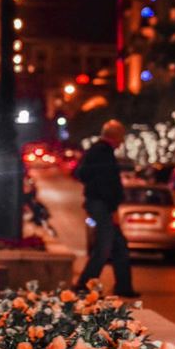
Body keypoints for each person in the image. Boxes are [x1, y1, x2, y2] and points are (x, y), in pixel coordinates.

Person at [74, 120, 139, 298]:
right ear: (115, 137)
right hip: (103, 205)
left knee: (118, 245)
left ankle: (123, 286)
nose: (122, 142)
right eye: (121, 138)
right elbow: (107, 184)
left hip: (99, 203)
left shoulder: (97, 152)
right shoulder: (103, 153)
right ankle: (85, 283)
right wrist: (112, 209)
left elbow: (83, 174)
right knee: (105, 246)